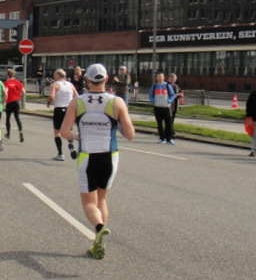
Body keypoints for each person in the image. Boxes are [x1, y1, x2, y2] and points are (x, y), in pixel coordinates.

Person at [60, 63, 135, 260]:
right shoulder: (117, 102)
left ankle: (99, 227)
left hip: (87, 156)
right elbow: (130, 134)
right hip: (110, 155)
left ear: (87, 80)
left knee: (88, 202)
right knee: (102, 199)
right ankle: (98, 240)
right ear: (107, 79)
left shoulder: (77, 103)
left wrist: (77, 136)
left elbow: (63, 132)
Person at [47, 68, 78, 160]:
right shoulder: (70, 85)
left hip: (59, 109)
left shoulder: (55, 85)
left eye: (54, 75)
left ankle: (60, 154)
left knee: (57, 132)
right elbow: (77, 96)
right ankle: (71, 145)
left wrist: (49, 102)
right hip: (69, 110)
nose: (53, 76)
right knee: (68, 130)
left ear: (58, 75)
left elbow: (52, 96)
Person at [148, 72, 176, 145]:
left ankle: (169, 138)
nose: (160, 78)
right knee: (159, 124)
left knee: (168, 124)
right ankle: (161, 138)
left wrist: (169, 101)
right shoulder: (154, 86)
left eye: (161, 77)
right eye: (158, 77)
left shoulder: (167, 86)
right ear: (156, 78)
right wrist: (154, 101)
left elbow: (172, 95)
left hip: (166, 107)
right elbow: (150, 95)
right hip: (157, 107)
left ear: (164, 78)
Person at [3, 68, 25, 143]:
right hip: (16, 101)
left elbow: (6, 91)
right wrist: (19, 95)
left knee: (8, 118)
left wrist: (4, 100)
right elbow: (23, 91)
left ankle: (8, 134)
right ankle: (20, 131)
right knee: (17, 118)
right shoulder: (17, 82)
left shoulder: (6, 83)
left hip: (9, 102)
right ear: (14, 75)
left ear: (7, 75)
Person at [167, 73, 182, 138]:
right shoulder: (167, 86)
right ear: (168, 79)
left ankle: (169, 132)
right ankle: (171, 133)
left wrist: (179, 95)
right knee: (169, 119)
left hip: (175, 105)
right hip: (169, 105)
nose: (173, 79)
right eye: (171, 78)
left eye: (174, 78)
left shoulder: (176, 86)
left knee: (172, 119)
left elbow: (180, 93)